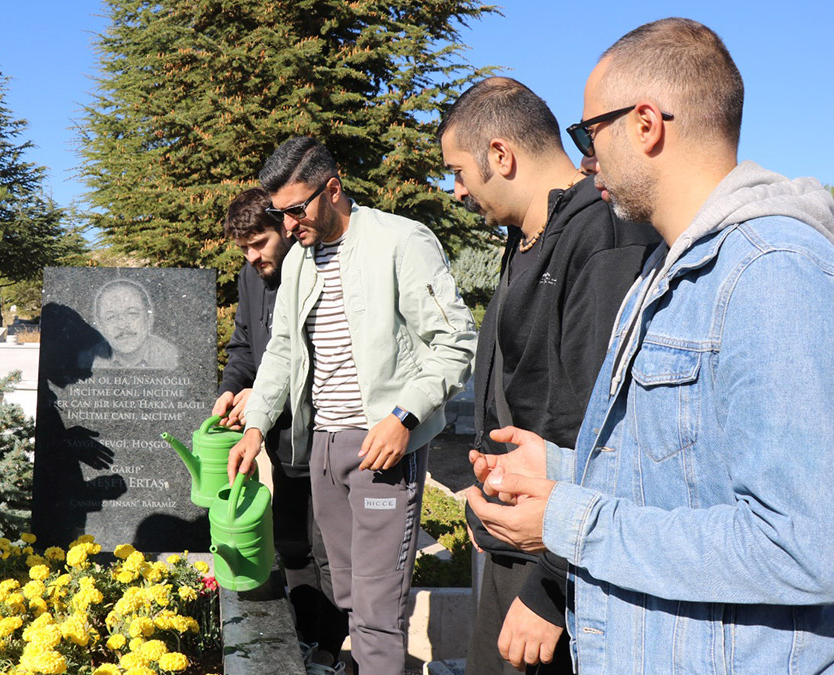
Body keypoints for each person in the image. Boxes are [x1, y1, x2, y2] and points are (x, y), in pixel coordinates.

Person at [466, 18, 834, 674]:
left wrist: (569, 519)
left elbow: (804, 546)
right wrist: (557, 466)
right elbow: (677, 481)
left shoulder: (771, 269)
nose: (583, 158)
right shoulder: (665, 272)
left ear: (645, 124)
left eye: (588, 133)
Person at [227, 136, 477, 675]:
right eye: (281, 214)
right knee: (347, 596)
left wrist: (403, 417)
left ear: (333, 189)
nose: (289, 226)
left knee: (377, 611)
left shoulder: (401, 241)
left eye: (296, 210)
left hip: (382, 447)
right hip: (322, 446)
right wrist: (255, 427)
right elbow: (282, 351)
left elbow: (456, 342)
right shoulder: (298, 262)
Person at [438, 77, 659, 673]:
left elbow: (605, 432)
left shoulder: (603, 233)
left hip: (557, 564)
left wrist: (552, 587)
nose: (455, 191)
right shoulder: (527, 236)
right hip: (514, 544)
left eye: (459, 171)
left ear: (501, 155)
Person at [212, 187, 349, 670]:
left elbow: (326, 359)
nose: (252, 257)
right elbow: (246, 346)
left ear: (284, 229)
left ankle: (331, 649)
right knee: (292, 545)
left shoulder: (319, 271)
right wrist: (233, 388)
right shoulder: (252, 279)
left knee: (329, 549)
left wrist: (265, 395)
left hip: (328, 433)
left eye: (259, 243)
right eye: (243, 248)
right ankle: (305, 638)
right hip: (280, 440)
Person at [91, 279, 179, 369]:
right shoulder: (89, 361)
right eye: (111, 317)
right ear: (100, 325)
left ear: (149, 317)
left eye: (132, 313)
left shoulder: (172, 358)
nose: (122, 325)